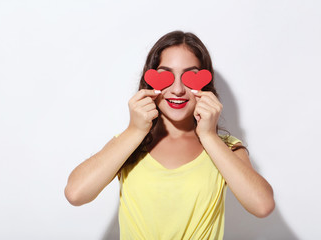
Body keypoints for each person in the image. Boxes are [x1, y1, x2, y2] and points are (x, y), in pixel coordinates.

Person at [64, 30, 275, 239]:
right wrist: (136, 130)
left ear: (205, 85)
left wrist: (209, 136)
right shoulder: (129, 142)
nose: (177, 89)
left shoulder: (226, 147)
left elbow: (262, 206)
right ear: (150, 83)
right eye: (165, 75)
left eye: (190, 77)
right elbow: (76, 194)